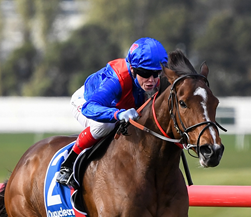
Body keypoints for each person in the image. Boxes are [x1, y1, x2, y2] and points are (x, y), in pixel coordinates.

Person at [56, 37, 168, 188]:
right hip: (86, 102)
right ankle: (68, 165)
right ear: (133, 69)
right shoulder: (118, 79)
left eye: (156, 74)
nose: (152, 80)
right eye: (145, 73)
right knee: (106, 125)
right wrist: (118, 115)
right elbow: (89, 108)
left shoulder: (155, 79)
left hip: (119, 105)